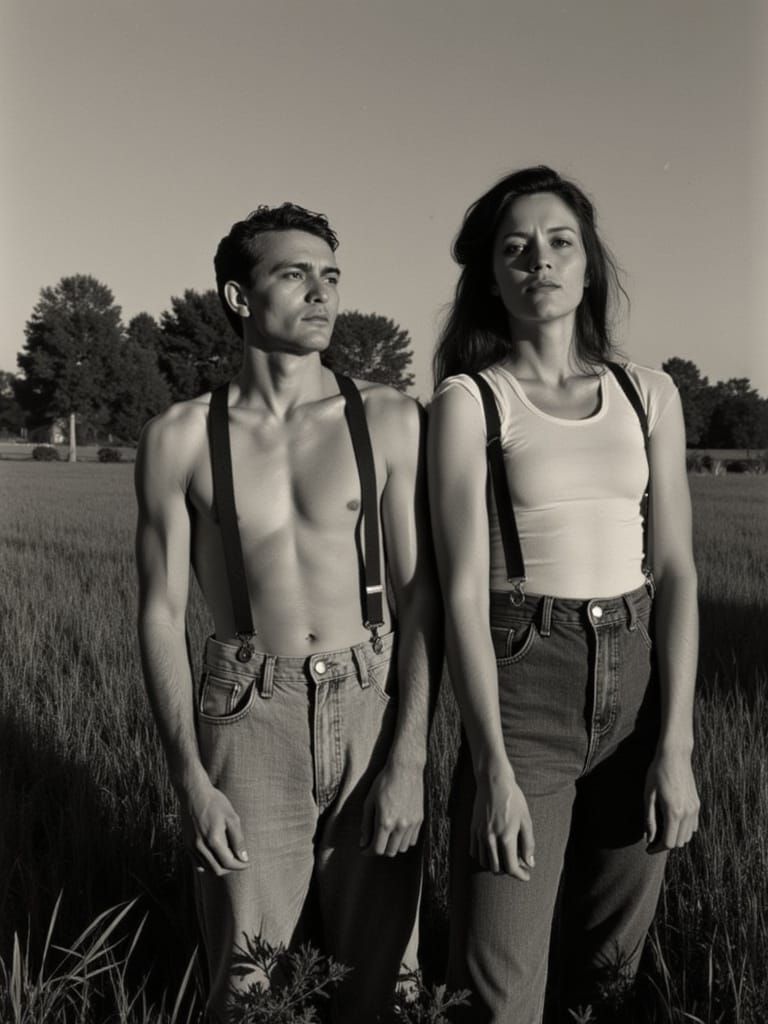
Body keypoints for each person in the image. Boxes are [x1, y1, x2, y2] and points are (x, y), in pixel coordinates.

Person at [135, 203, 440, 1023]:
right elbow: (161, 615)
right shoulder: (180, 438)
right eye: (294, 274)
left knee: (385, 978)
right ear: (240, 297)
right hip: (247, 709)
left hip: (371, 700)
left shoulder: (388, 417)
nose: (321, 292)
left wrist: (410, 759)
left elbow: (419, 597)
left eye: (330, 276)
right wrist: (190, 780)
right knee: (247, 982)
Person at [428, 166, 700, 1023]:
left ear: (588, 264)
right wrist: (493, 770)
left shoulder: (647, 393)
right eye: (515, 248)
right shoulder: (471, 401)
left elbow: (678, 572)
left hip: (638, 691)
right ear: (491, 276)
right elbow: (462, 594)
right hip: (525, 690)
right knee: (499, 992)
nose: (538, 261)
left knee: (608, 973)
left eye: (559, 242)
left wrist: (676, 746)